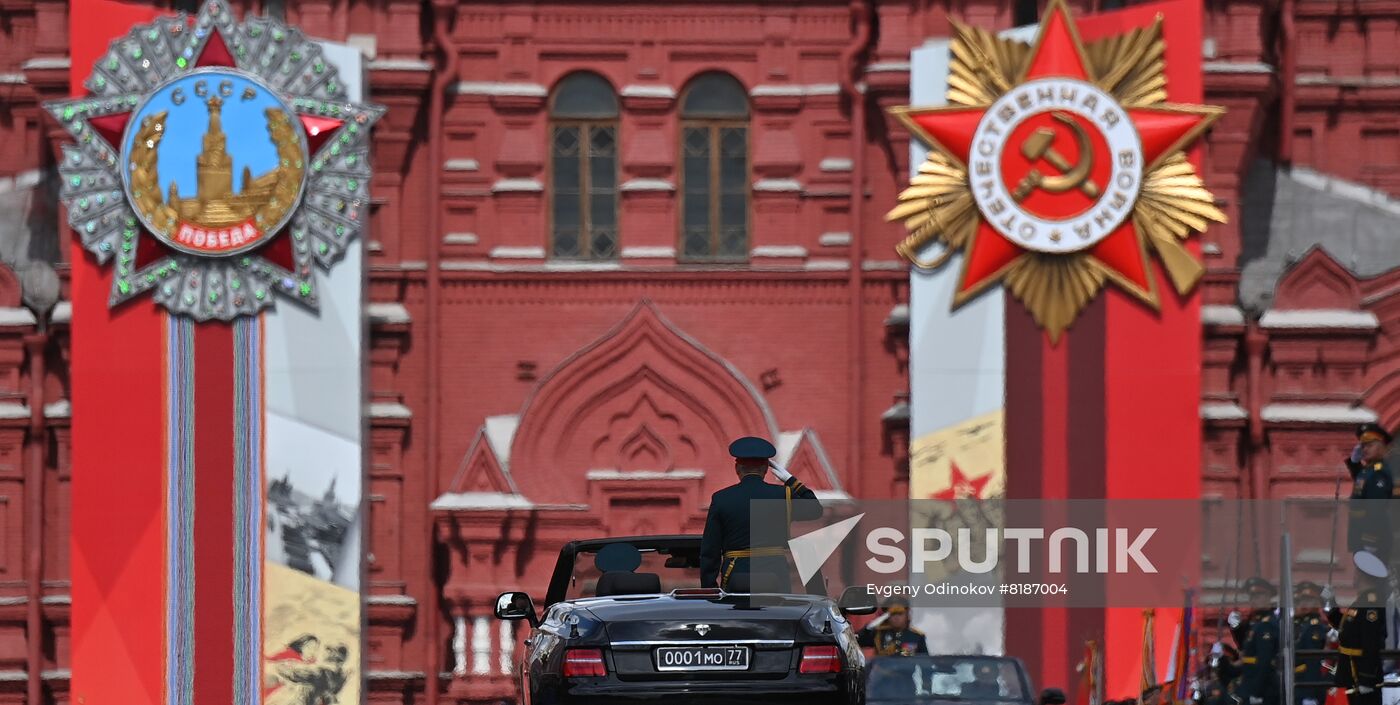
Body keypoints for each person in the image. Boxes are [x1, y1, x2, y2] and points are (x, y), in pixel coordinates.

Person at [699, 436, 822, 593]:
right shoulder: (783, 495)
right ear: (765, 469)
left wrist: (710, 589)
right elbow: (815, 509)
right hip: (775, 576)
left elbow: (710, 550)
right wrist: (791, 480)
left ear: (737, 468)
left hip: (737, 574)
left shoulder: (722, 498)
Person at [1329, 551, 1388, 705]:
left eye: (1356, 572)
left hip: (1358, 674)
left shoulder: (1371, 604)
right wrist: (1331, 601)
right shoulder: (1361, 601)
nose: (1354, 575)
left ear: (1362, 575)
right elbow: (1346, 629)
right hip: (1349, 672)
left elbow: (1371, 641)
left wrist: (1366, 678)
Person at [1344, 423, 1394, 564]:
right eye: (1363, 446)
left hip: (1372, 537)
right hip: (1360, 533)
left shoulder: (1379, 472)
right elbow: (1362, 483)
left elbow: (1376, 508)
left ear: (1381, 446)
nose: (1365, 449)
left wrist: (1370, 537)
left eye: (1370, 445)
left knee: (1373, 580)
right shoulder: (1368, 470)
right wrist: (1354, 463)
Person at [1229, 577, 1280, 705]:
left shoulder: (1267, 624)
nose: (1254, 599)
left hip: (1262, 688)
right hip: (1249, 682)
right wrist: (1236, 629)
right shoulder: (1255, 622)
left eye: (1258, 595)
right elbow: (1245, 648)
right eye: (1252, 596)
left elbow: (1264, 661)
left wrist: (1257, 692)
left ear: (1268, 596)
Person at [1294, 582, 1329, 705]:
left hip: (1306, 685)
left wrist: (1310, 694)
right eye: (1303, 599)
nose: (1304, 603)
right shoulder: (1302, 624)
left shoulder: (1314, 627)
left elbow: (1312, 661)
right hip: (1297, 681)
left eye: (1309, 599)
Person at [857, 595, 929, 656]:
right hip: (882, 672)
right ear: (887, 616)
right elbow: (858, 642)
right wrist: (869, 627)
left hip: (906, 672)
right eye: (893, 614)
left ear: (907, 615)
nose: (896, 617)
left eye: (900, 613)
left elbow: (925, 663)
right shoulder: (878, 634)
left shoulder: (916, 636)